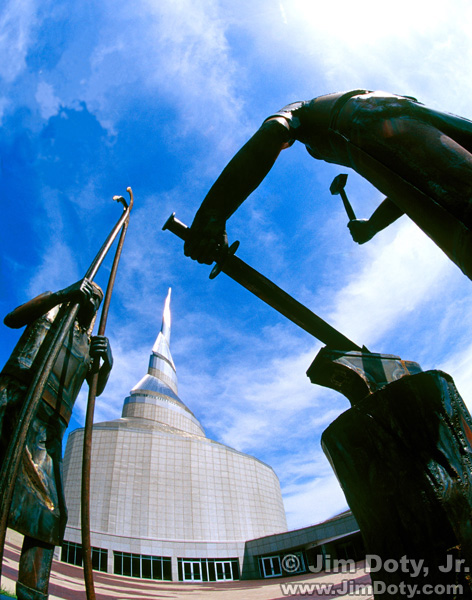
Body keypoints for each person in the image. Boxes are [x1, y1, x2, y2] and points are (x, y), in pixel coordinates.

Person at [184, 89, 472, 280]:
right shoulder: (392, 113)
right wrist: (373, 224)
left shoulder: (306, 110)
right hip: (413, 112)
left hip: (362, 116)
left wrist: (212, 215)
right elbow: (422, 184)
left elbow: (274, 130)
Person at [0, 278, 113, 600]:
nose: (93, 299)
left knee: (51, 515)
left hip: (49, 426)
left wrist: (105, 365)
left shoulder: (87, 342)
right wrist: (63, 295)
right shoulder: (53, 313)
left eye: (98, 299)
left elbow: (95, 389)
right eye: (90, 292)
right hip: (18, 400)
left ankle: (32, 593)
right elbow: (12, 319)